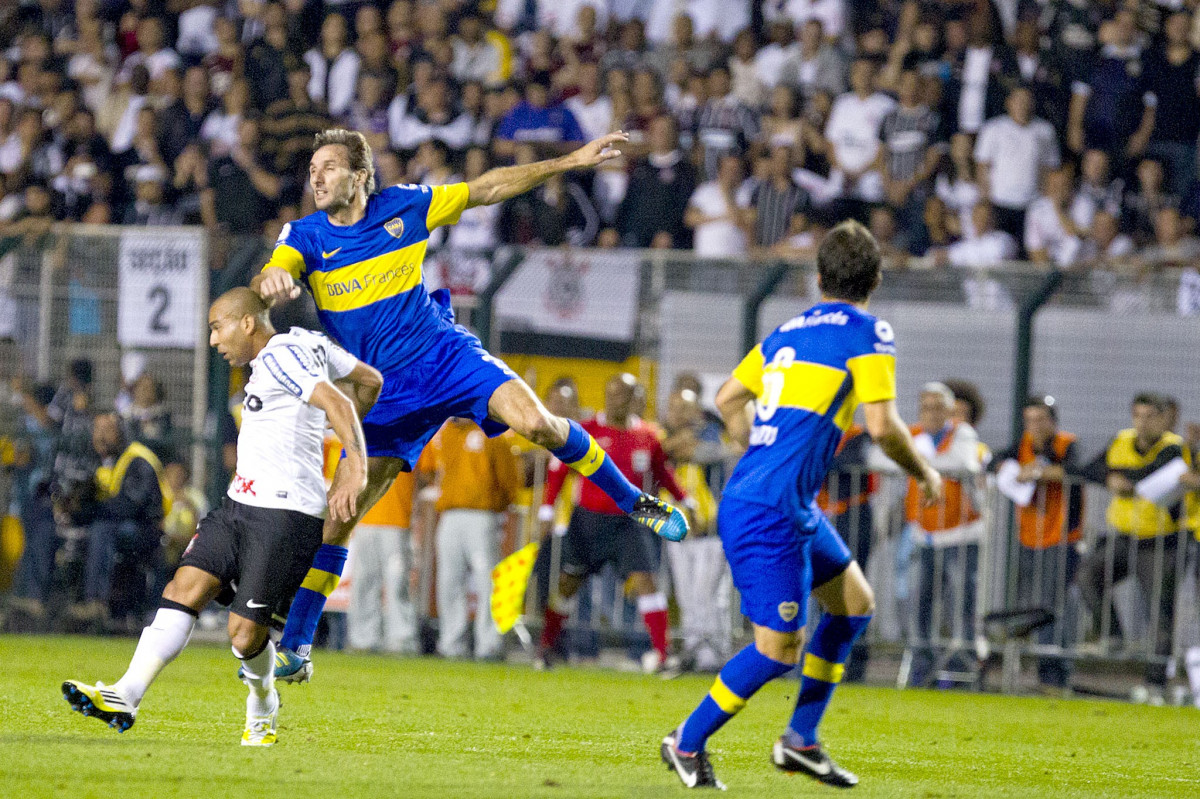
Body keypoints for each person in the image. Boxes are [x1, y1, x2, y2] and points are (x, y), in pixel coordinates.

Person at [253, 128, 688, 680]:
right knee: (340, 519)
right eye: (313, 167)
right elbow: (277, 268)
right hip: (382, 394)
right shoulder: (304, 235)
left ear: (361, 177)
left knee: (539, 424)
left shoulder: (405, 206)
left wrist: (570, 160)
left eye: (330, 166)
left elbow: (487, 188)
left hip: (443, 357)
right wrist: (270, 278)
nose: (316, 176)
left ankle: (633, 502)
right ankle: (296, 646)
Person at [661, 220, 942, 790]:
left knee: (854, 604)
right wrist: (925, 471)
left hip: (782, 501)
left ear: (818, 278)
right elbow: (883, 426)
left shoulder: (790, 330)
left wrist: (752, 443)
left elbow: (726, 397)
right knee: (777, 648)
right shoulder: (868, 330)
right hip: (768, 508)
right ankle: (685, 741)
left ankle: (800, 741)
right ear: (876, 279)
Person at [62, 288, 380, 746]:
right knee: (183, 587)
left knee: (243, 635)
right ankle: (124, 694)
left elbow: (343, 403)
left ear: (248, 323)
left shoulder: (281, 356)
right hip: (238, 505)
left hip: (285, 516)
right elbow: (369, 383)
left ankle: (263, 701)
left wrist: (355, 466)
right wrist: (325, 427)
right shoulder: (311, 344)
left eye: (217, 327)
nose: (213, 340)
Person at [537, 374, 689, 674]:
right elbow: (559, 472)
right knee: (568, 584)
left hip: (631, 522)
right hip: (587, 520)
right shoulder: (587, 430)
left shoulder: (647, 435)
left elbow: (663, 473)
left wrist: (686, 500)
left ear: (634, 398)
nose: (615, 400)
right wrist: (546, 510)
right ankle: (546, 646)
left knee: (646, 582)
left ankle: (662, 654)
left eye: (622, 395)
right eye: (611, 393)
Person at [1077, 393, 1190, 703]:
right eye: (1138, 415)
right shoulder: (1122, 440)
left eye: (1150, 416)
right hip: (1123, 536)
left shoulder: (1173, 447)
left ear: (1164, 418)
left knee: (1158, 612)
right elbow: (1090, 469)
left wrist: (1121, 477)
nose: (1143, 422)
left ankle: (1154, 683)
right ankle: (1111, 634)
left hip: (1161, 540)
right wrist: (1110, 478)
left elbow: (1153, 473)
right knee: (1087, 576)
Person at [990, 396, 1083, 693]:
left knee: (1054, 608)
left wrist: (1038, 472)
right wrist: (1006, 466)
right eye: (1030, 420)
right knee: (1030, 608)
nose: (1035, 426)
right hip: (1029, 538)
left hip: (1062, 538)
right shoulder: (1022, 445)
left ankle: (1054, 675)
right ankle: (1035, 673)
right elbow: (992, 460)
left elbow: (1076, 470)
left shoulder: (1067, 444)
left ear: (1053, 421)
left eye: (1041, 420)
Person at [416, 419, 521, 660]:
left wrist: (497, 508)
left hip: (482, 516)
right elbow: (431, 471)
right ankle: (451, 643)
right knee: (449, 581)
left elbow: (508, 480)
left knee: (488, 581)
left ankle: (490, 645)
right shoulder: (444, 433)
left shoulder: (492, 432)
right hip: (450, 514)